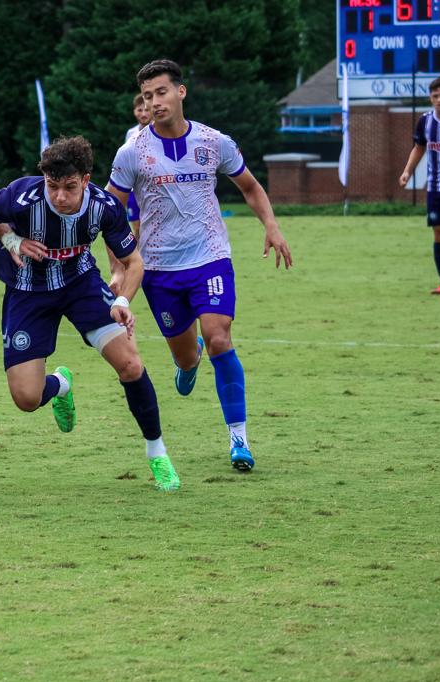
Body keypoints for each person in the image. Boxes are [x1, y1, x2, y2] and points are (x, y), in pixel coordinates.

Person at [0, 135, 182, 492]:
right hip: (27, 293)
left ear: (86, 180)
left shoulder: (104, 207)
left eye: (70, 187)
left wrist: (122, 301)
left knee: (131, 364)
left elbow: (134, 263)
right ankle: (61, 385)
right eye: (53, 186)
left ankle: (157, 453)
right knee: (26, 398)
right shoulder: (22, 196)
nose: (60, 197)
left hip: (81, 285)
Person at [105, 58, 292, 473]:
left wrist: (272, 226)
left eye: (161, 92)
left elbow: (250, 186)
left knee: (219, 338)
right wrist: (118, 266)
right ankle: (188, 362)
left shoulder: (213, 141)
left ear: (181, 92)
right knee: (188, 356)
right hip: (158, 269)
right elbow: (110, 210)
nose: (154, 102)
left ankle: (239, 439)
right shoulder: (132, 152)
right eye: (147, 96)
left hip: (210, 258)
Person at [398, 77, 440, 295]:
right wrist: (407, 171)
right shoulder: (425, 122)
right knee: (439, 232)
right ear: (430, 98)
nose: (439, 100)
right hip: (435, 187)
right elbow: (419, 147)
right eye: (435, 96)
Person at [123, 93, 151, 234]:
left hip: (153, 188)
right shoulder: (131, 133)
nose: (143, 114)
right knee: (137, 229)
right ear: (134, 111)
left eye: (146, 109)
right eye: (140, 110)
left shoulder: (161, 132)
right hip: (134, 189)